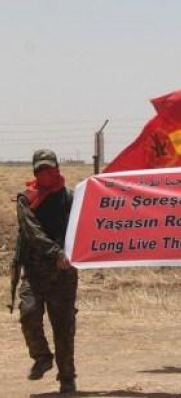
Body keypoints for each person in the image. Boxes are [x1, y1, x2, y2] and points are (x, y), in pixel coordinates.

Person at [15, 149, 78, 393]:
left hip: (63, 274)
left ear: (57, 169)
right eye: (41, 169)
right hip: (34, 272)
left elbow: (81, 227)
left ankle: (67, 377)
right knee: (28, 313)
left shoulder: (70, 198)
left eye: (49, 168)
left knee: (64, 326)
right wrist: (56, 253)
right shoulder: (26, 199)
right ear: (35, 172)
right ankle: (42, 357)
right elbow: (32, 231)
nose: (46, 173)